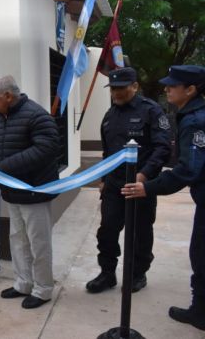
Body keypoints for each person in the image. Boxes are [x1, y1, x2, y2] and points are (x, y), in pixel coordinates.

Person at [122, 65, 205, 331]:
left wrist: (150, 187)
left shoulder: (195, 121)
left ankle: (200, 313)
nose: (167, 88)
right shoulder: (191, 114)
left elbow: (189, 169)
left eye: (173, 85)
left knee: (201, 255)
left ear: (190, 90)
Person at [86, 67, 171, 294]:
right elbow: (107, 153)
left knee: (140, 232)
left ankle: (137, 274)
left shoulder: (151, 111)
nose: (116, 93)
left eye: (121, 88)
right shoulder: (109, 115)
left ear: (135, 86)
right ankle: (107, 274)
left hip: (141, 186)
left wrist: (143, 175)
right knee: (107, 231)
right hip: (114, 186)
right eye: (113, 88)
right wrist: (104, 180)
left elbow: (162, 148)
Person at [0, 75, 60, 309]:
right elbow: (0, 152)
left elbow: (47, 148)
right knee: (17, 240)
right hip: (12, 193)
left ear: (8, 96)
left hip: (34, 192)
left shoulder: (37, 115)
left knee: (38, 243)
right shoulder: (2, 118)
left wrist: (5, 167)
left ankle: (43, 289)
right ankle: (23, 283)